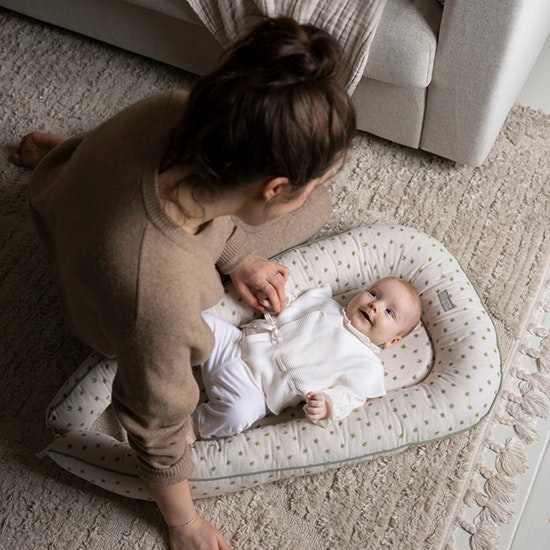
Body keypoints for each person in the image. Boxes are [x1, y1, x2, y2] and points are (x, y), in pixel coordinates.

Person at [10, 17, 356, 550]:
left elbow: (209, 207)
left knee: (133, 174)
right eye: (308, 186)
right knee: (320, 214)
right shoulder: (160, 299)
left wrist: (238, 255)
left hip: (69, 189)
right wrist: (183, 523)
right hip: (109, 301)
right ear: (275, 187)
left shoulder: (173, 108)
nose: (311, 194)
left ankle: (65, 155)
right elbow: (155, 422)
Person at [188, 277, 421, 444]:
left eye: (389, 312)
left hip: (255, 390)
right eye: (373, 293)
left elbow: (350, 397)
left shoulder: (366, 365)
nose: (376, 305)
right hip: (236, 344)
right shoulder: (324, 303)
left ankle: (196, 425)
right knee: (201, 323)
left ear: (392, 341)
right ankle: (163, 349)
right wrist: (274, 305)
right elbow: (288, 306)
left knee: (237, 414)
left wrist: (328, 405)